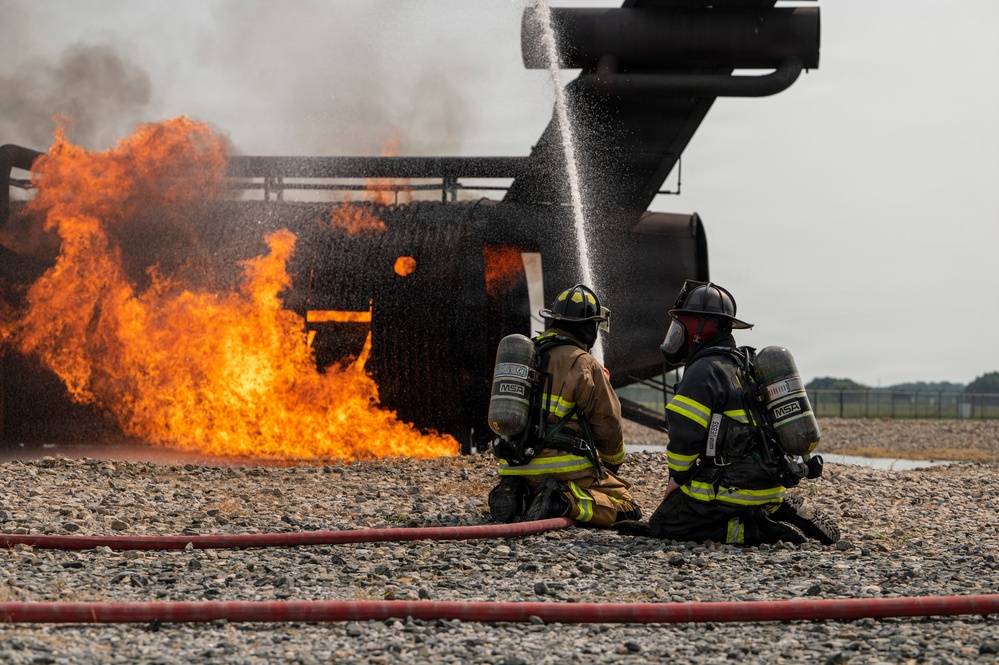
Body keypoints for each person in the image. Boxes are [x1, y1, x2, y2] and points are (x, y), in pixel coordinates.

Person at [647, 280, 839, 546]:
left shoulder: (704, 371)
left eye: (683, 323)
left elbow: (684, 437)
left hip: (733, 488)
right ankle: (776, 508)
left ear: (702, 327)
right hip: (769, 481)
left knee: (664, 524)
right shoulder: (745, 364)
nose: (677, 332)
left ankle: (760, 531)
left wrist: (677, 479)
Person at [487, 284, 642, 527]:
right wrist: (611, 465)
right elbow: (608, 423)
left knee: (531, 485)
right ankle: (562, 502)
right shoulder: (584, 363)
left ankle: (515, 495)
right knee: (627, 506)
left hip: (514, 465)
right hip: (563, 470)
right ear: (590, 327)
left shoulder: (530, 352)